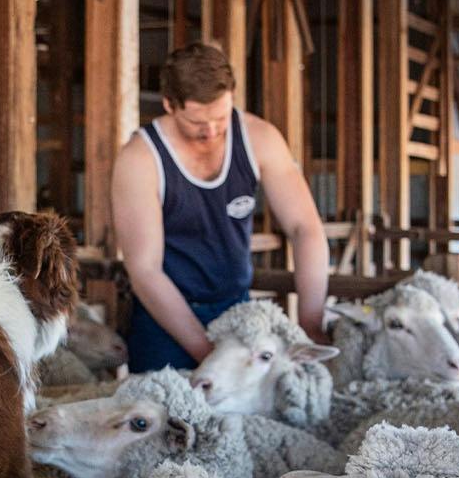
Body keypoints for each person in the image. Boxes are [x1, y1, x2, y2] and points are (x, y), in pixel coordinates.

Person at [110, 41, 331, 373]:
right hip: (165, 320)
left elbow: (305, 228)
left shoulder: (260, 139)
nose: (211, 131)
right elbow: (145, 270)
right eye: (197, 122)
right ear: (170, 105)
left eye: (221, 117)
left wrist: (310, 323)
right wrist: (208, 354)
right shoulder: (140, 159)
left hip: (236, 313)